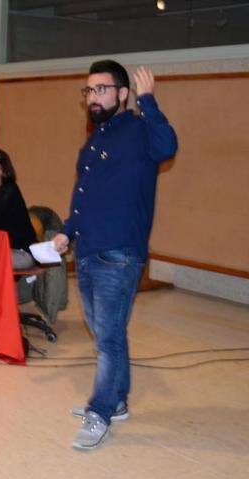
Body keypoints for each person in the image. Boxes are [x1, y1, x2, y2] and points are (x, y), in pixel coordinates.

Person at [52, 61, 178, 450]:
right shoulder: (93, 140)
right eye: (88, 91)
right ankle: (118, 401)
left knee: (106, 338)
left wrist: (149, 101)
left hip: (120, 253)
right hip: (88, 250)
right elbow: (85, 195)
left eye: (101, 90)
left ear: (122, 94)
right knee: (108, 333)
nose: (93, 98)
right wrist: (66, 231)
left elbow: (168, 146)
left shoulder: (141, 130)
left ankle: (101, 411)